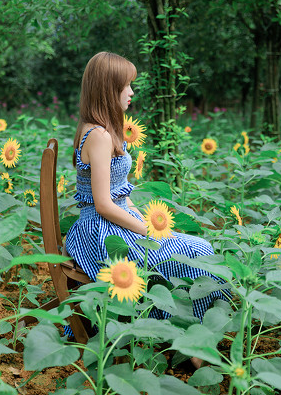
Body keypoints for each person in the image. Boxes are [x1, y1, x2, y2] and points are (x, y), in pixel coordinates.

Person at [65, 52, 230, 365]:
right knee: (200, 250)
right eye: (126, 86)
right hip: (102, 233)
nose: (131, 93)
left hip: (112, 223)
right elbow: (103, 203)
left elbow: (121, 195)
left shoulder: (103, 129)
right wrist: (144, 230)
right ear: (107, 89)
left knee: (190, 246)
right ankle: (189, 341)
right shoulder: (98, 136)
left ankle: (185, 334)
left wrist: (152, 226)